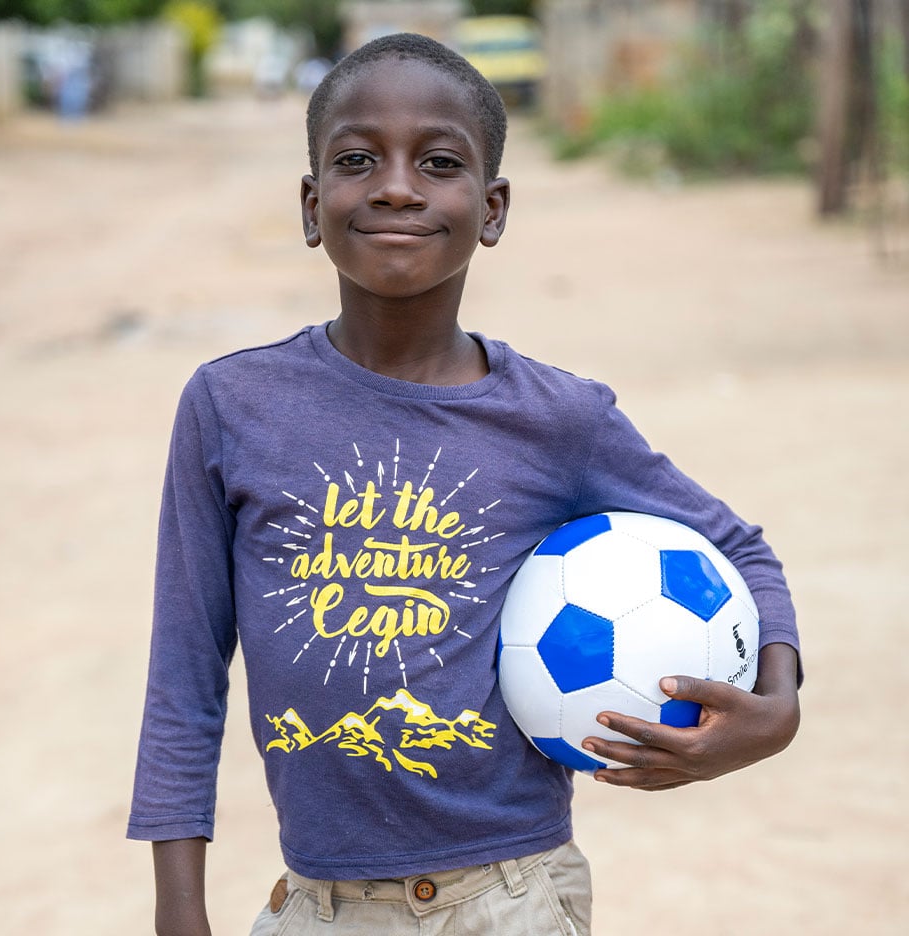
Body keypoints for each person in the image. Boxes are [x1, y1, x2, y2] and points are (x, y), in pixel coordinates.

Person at [127, 33, 801, 936]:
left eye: (437, 162)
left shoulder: (559, 419)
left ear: (491, 208)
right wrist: (180, 910)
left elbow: (741, 550)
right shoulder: (231, 405)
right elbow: (183, 674)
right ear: (310, 201)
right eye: (357, 159)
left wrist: (777, 708)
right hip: (320, 908)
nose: (397, 185)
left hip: (512, 897)